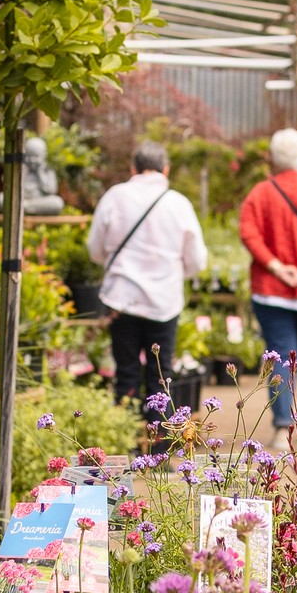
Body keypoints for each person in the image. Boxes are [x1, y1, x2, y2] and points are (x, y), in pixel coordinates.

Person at [87, 141, 206, 408]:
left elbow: (95, 249)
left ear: (133, 167)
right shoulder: (179, 204)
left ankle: (126, 440)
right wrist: (173, 273)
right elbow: (197, 260)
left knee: (125, 372)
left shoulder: (114, 196)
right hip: (164, 301)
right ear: (165, 170)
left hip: (122, 299)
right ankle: (160, 444)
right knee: (161, 376)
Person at [239, 127, 297, 453]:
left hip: (271, 290)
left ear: (272, 158)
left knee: (280, 354)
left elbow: (249, 234)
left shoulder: (261, 193)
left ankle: (283, 427)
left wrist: (277, 267)